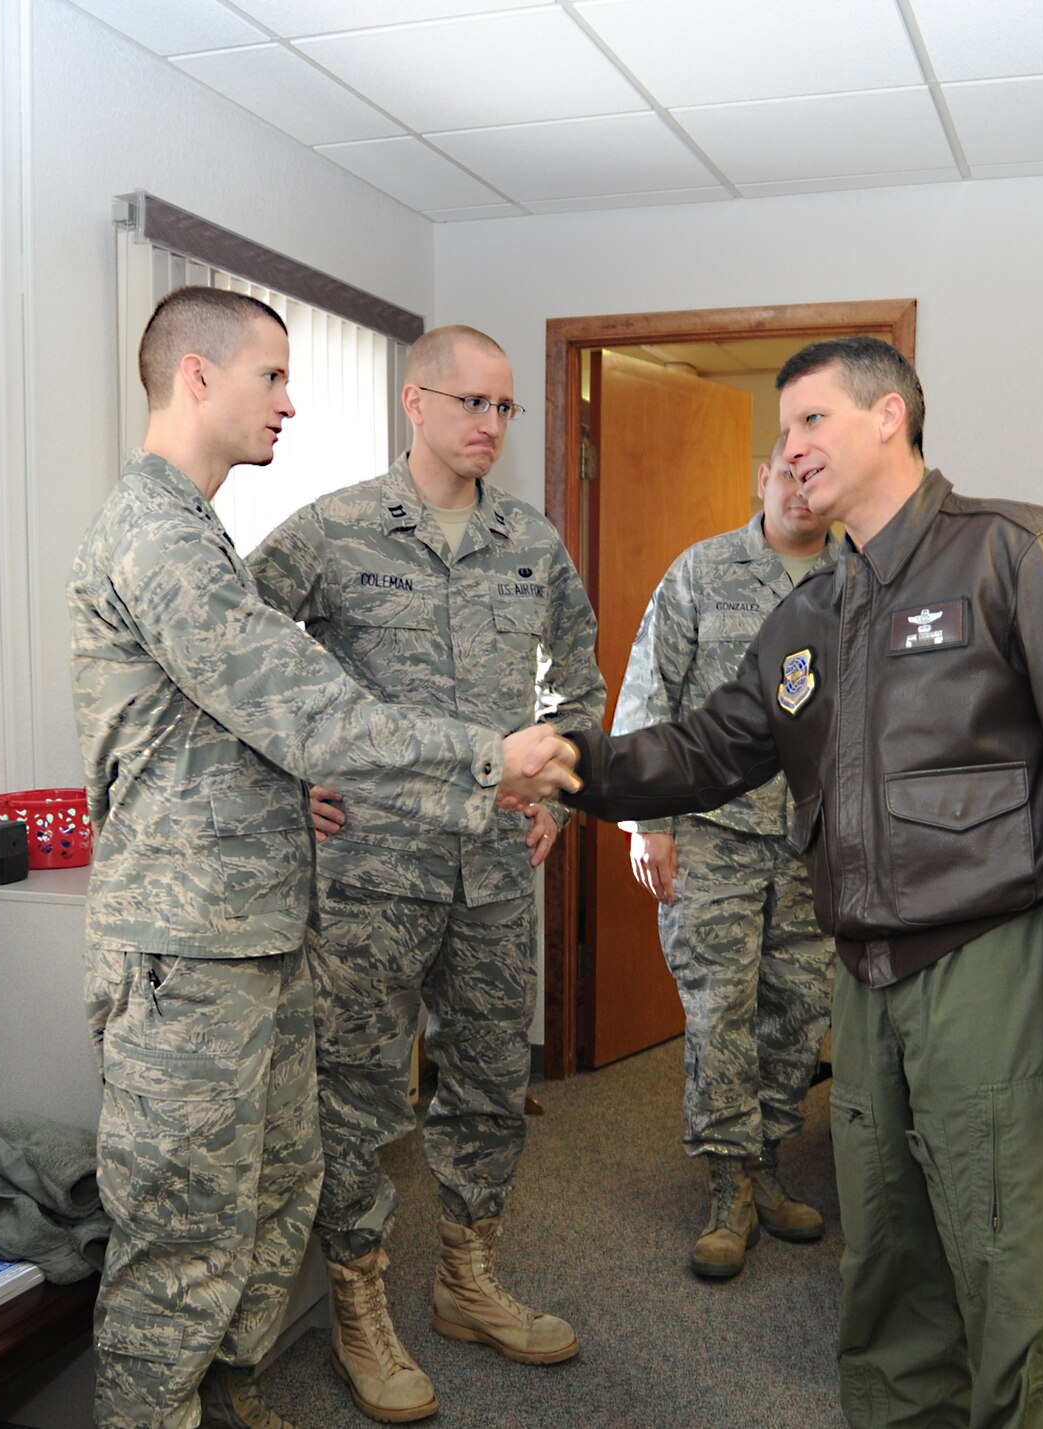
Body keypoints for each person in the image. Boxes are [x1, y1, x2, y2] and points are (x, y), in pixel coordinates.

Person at [558, 336, 1043, 1428]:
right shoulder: (808, 617)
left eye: (811, 421)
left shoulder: (1010, 551)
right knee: (886, 1246)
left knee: (1001, 1241)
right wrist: (568, 766)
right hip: (863, 963)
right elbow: (704, 750)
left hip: (987, 954)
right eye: (782, 429)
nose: (788, 448)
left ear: (888, 415)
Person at [69, 289, 579, 1429]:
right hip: (187, 939)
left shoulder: (192, 525)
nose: (291, 402)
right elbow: (295, 699)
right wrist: (478, 759)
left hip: (269, 922)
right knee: (181, 1233)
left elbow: (253, 718)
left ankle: (242, 1394)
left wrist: (320, 783)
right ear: (197, 376)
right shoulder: (156, 534)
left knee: (271, 1186)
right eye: (272, 377)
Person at [246, 324, 603, 1423]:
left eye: (504, 409)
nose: (488, 426)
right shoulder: (333, 530)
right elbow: (234, 663)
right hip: (368, 871)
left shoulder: (531, 542)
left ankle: (465, 1277)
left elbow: (580, 684)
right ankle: (359, 1305)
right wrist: (282, 778)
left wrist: (555, 791)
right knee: (355, 1098)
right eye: (470, 403)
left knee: (490, 1083)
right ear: (415, 401)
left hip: (495, 868)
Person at [612, 435, 838, 1281]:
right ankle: (726, 1187)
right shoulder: (701, 572)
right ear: (761, 478)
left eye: (816, 478)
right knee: (718, 1012)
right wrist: (648, 820)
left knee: (796, 1011)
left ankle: (768, 1159)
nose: (802, 492)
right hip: (711, 832)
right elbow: (648, 694)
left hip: (815, 840)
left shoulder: (860, 581)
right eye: (788, 474)